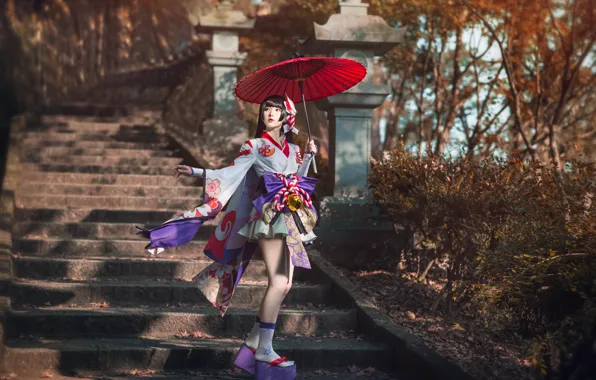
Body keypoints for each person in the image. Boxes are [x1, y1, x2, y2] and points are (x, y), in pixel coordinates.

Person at [137, 94, 318, 379]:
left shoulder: (294, 149)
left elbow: (298, 179)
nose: (270, 114)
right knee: (278, 280)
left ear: (287, 117)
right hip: (269, 216)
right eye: (266, 109)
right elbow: (229, 173)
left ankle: (252, 346)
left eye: (276, 110)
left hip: (292, 216)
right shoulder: (254, 145)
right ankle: (265, 349)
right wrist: (197, 171)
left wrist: (308, 157)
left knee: (287, 285)